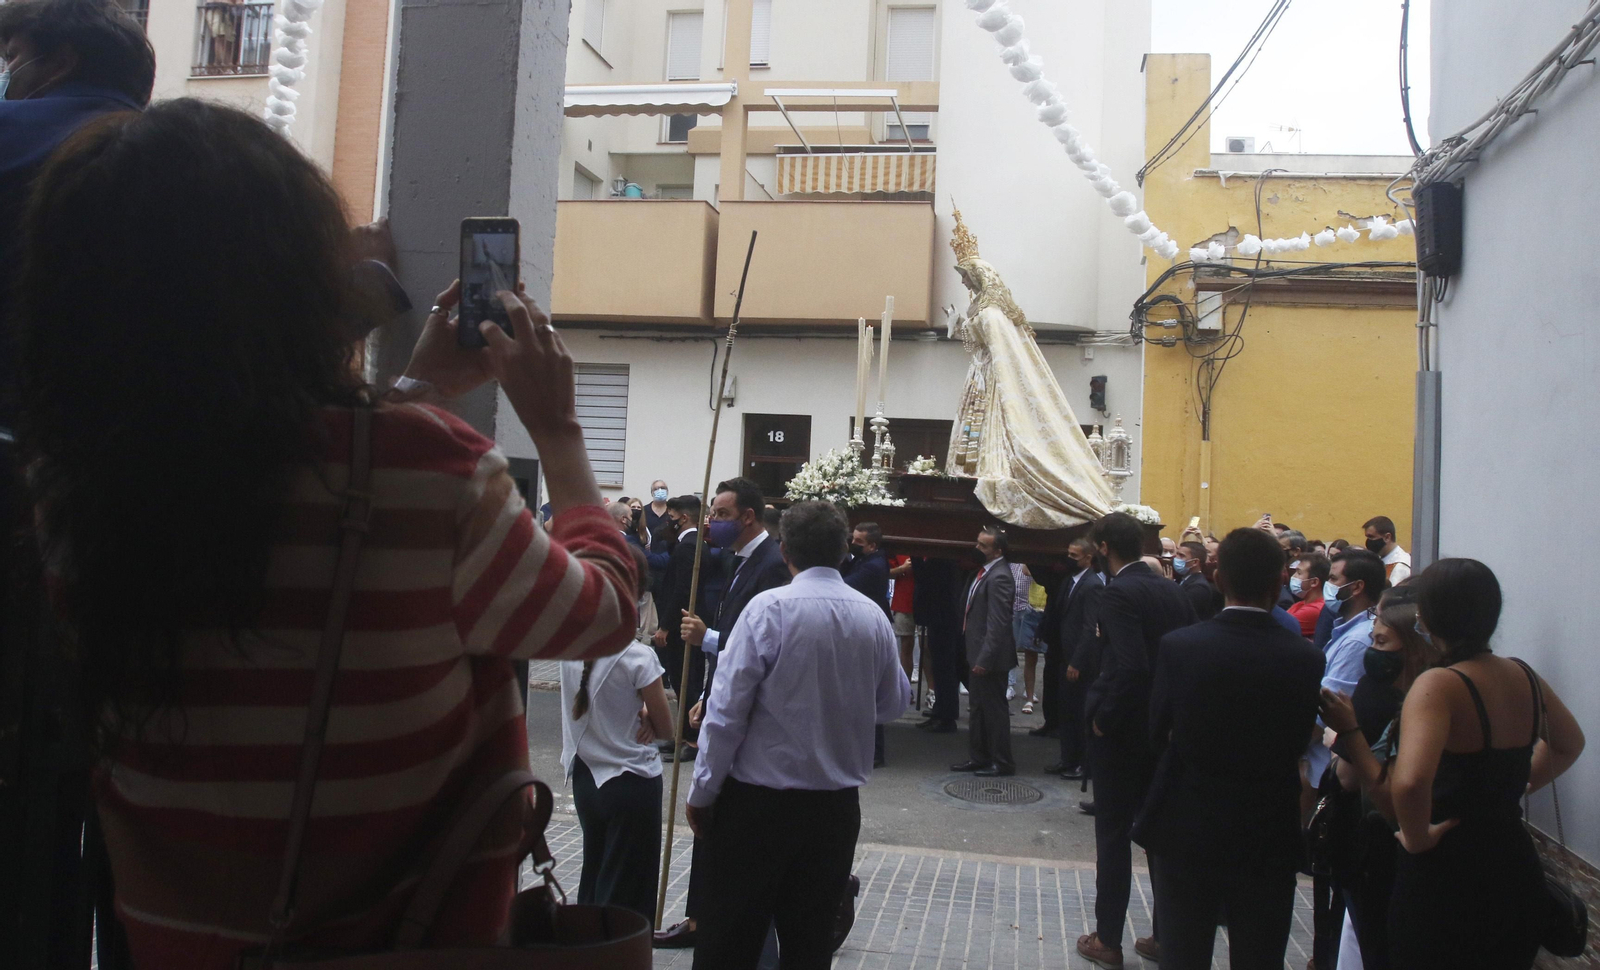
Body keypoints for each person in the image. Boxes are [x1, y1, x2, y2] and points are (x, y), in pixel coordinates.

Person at [14, 100, 640, 967]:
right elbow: (601, 614)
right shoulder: (427, 468)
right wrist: (561, 434)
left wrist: (413, 387)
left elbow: (260, 473)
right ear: (288, 276)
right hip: (408, 942)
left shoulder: (63, 487)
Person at [687, 501, 910, 970]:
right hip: (833, 807)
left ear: (785, 549)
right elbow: (893, 703)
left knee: (731, 937)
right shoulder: (871, 616)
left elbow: (726, 713)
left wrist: (703, 791)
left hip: (757, 805)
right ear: (844, 549)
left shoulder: (769, 610)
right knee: (809, 944)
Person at [1137, 528, 1323, 970]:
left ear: (1219, 579)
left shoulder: (1182, 647)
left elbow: (1157, 730)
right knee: (1260, 954)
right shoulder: (1305, 658)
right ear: (1279, 583)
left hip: (1189, 821)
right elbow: (1299, 739)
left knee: (1183, 951)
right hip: (1268, 826)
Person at [1384, 560, 1583, 970]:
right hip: (1513, 862)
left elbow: (1409, 782)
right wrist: (1515, 784)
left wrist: (1418, 838)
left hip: (1448, 868)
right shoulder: (1524, 675)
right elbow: (1569, 743)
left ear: (1428, 616)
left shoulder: (1438, 684)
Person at [658, 477, 792, 950]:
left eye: (720, 514)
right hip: (721, 693)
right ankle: (701, 916)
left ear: (748, 518)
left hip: (749, 722)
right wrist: (708, 692)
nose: (711, 522)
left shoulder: (771, 567)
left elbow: (755, 646)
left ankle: (709, 921)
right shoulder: (742, 561)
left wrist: (706, 639)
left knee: (717, 817)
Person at [1078, 513, 1196, 970]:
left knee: (1113, 834)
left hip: (1126, 729)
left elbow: (1130, 666)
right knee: (1161, 834)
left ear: (1105, 547)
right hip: (1164, 727)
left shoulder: (1119, 593)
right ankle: (1167, 935)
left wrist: (1105, 717)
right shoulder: (1170, 590)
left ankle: (1108, 937)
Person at [1318, 589, 1438, 970]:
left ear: (1417, 648)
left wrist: (1348, 735)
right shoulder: (1511, 678)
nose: (1373, 649)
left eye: (1382, 640)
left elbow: (1384, 793)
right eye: (1372, 638)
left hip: (1389, 850)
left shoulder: (1421, 701)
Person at [559, 545, 674, 922]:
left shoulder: (569, 642)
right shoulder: (638, 657)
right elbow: (666, 730)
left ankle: (586, 950)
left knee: (594, 875)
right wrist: (646, 708)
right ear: (638, 592)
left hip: (586, 777)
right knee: (625, 892)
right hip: (631, 779)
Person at [951, 526, 1017, 777]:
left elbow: (998, 624)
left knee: (993, 712)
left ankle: (1002, 762)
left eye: (983, 546)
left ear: (997, 551)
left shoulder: (999, 576)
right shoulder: (983, 573)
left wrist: (984, 659)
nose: (977, 549)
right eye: (977, 543)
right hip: (976, 654)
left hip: (990, 659)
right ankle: (979, 757)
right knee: (977, 709)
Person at [1044, 538, 1103, 780]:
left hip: (1079, 662)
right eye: (1068, 553)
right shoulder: (1070, 580)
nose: (1069, 559)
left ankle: (1081, 763)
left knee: (1079, 714)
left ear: (1088, 558)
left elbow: (1090, 628)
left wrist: (1077, 662)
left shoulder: (1092, 585)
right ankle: (1067, 758)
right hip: (1064, 655)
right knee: (1066, 711)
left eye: (1074, 555)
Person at [913, 556, 964, 734]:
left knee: (945, 668)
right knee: (939, 667)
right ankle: (940, 711)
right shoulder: (940, 561)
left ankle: (946, 716)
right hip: (938, 617)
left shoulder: (943, 562)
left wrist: (916, 558)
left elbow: (924, 578)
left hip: (944, 619)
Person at [1013, 563, 1046, 712]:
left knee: (1052, 660)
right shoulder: (1036, 559)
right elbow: (1025, 570)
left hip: (1048, 610)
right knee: (1029, 657)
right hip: (1032, 609)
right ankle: (1029, 698)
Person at [842, 522, 891, 617]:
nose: (853, 543)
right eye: (853, 539)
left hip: (870, 616)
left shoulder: (873, 566)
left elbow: (843, 585)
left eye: (858, 541)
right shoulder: (863, 557)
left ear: (872, 546)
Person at [1173, 540, 1218, 621]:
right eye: (1177, 554)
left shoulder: (1199, 587)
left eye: (1181, 555)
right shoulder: (1182, 579)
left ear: (1195, 562)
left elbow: (1182, 612)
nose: (1176, 558)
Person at [889, 553, 917, 679]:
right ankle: (906, 689)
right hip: (904, 600)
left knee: (928, 647)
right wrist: (902, 568)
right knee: (905, 645)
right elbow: (886, 571)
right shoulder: (900, 548)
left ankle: (932, 690)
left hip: (927, 600)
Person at [1288, 553, 1329, 638]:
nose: (1293, 576)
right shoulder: (1301, 604)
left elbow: (1278, 628)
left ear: (1314, 582)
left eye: (1299, 573)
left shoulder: (1315, 609)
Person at [1361, 516, 1411, 584]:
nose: (1368, 541)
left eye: (1371, 537)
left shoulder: (1399, 567)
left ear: (1387, 537)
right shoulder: (1379, 560)